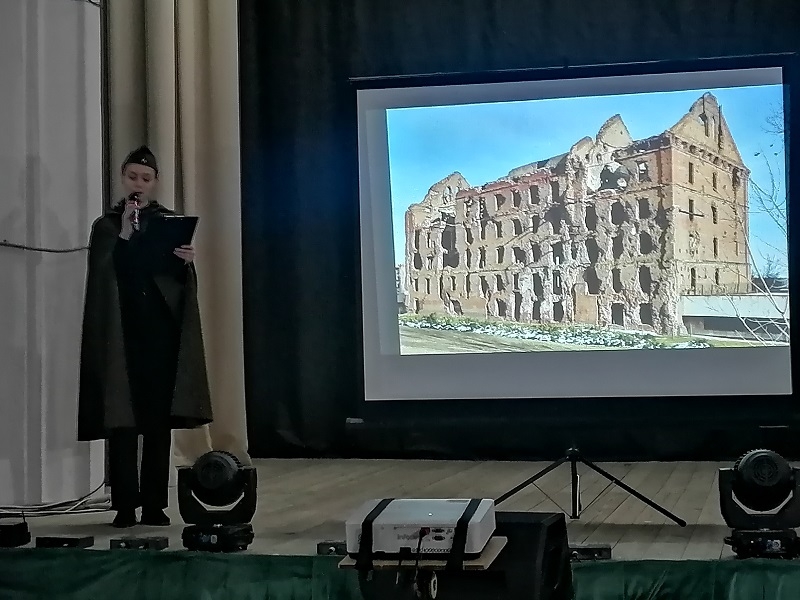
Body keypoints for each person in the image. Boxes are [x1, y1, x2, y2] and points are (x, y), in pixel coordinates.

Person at [78, 146, 213, 528]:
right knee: (122, 422)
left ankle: (154, 504)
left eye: (146, 178)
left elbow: (175, 282)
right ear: (122, 178)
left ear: (154, 183)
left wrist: (186, 262)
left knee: (156, 423)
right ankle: (124, 505)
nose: (138, 183)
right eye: (133, 176)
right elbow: (104, 274)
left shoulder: (167, 221)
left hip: (159, 334)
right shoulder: (107, 226)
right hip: (122, 333)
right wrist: (124, 234)